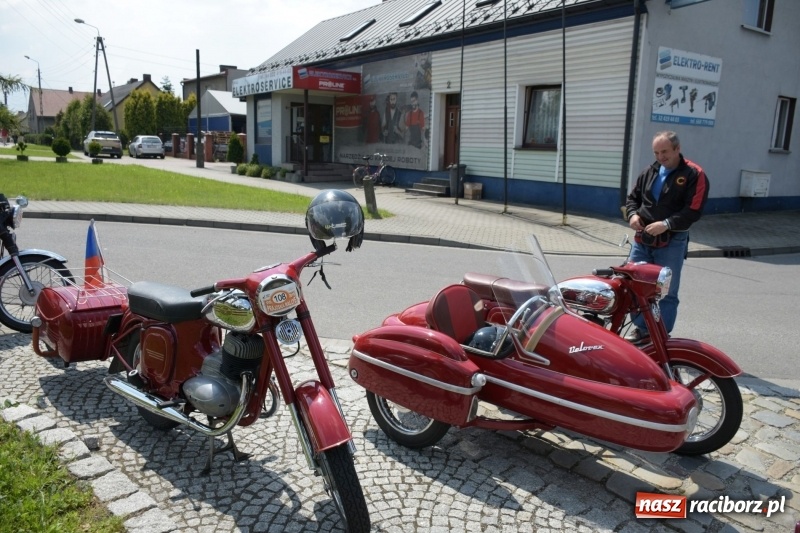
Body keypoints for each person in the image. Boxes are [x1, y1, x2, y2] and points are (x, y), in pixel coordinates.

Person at [623, 131, 709, 344]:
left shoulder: (694, 174)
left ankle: (660, 337)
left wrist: (667, 224)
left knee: (666, 292)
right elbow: (632, 198)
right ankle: (642, 330)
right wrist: (632, 215)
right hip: (642, 240)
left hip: (672, 241)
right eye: (656, 152)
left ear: (677, 149)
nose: (660, 157)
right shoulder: (649, 171)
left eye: (664, 152)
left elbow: (694, 210)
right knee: (635, 286)